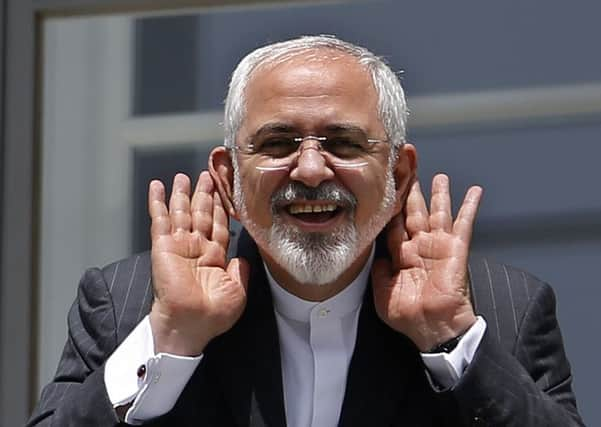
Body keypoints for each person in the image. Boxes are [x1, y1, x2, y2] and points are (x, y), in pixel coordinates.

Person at [27, 35, 583, 427]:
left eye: (343, 143)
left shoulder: (500, 311)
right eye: (277, 144)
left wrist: (451, 341)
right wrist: (172, 340)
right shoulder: (130, 306)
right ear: (229, 181)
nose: (312, 170)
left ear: (398, 174)